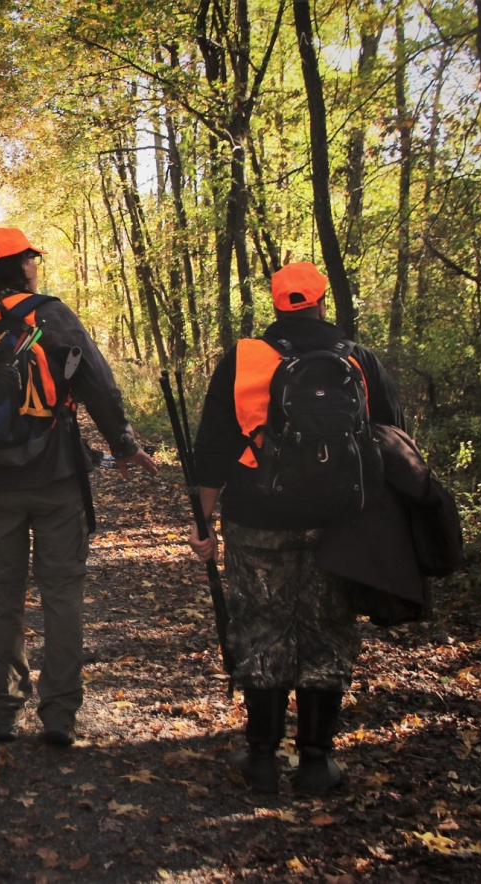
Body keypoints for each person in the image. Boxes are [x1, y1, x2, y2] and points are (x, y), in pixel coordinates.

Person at [186, 261, 404, 795]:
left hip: (257, 520)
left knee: (262, 625)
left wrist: (203, 522)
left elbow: (213, 448)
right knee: (328, 631)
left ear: (277, 305)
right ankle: (316, 763)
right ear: (322, 301)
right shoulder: (359, 360)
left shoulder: (244, 358)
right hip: (340, 524)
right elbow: (392, 440)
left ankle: (261, 758)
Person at [0, 227, 157, 747]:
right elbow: (98, 385)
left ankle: (4, 711)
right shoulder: (52, 315)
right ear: (20, 266)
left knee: (1, 599)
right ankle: (59, 714)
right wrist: (124, 445)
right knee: (62, 595)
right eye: (31, 259)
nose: (35, 267)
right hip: (55, 476)